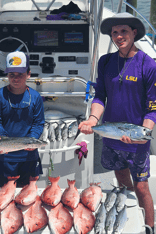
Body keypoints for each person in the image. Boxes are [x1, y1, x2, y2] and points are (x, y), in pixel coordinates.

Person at [79, 12, 156, 234]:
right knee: (121, 178)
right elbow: (100, 95)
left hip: (136, 139)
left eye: (124, 31)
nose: (119, 36)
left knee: (142, 187)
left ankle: (149, 228)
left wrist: (142, 134)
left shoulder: (148, 64)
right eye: (115, 32)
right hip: (112, 135)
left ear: (134, 33)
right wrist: (93, 119)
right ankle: (128, 218)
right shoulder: (106, 62)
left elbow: (153, 107)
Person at [0, 51, 45, 187]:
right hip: (5, 155)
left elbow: (38, 123)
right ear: (7, 75)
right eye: (11, 75)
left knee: (27, 192)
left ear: (28, 74)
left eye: (20, 75)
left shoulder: (35, 96)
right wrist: (1, 135)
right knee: (4, 193)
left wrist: (32, 140)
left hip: (28, 156)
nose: (16, 79)